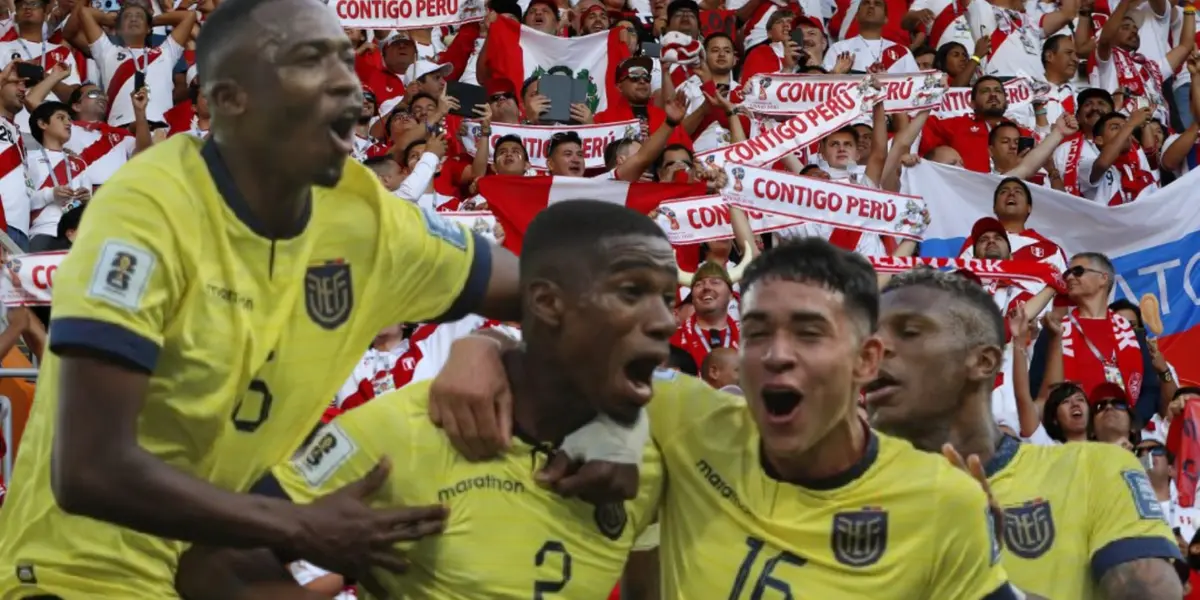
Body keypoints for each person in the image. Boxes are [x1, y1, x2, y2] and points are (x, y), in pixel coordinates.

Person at [0, 0, 525, 596]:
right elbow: (89, 470)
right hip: (75, 579)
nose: (347, 86)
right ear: (229, 100)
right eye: (310, 63)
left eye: (347, 64)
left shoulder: (366, 217)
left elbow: (544, 290)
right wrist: (299, 527)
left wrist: (488, 342)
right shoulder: (152, 205)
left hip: (202, 576)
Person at [430, 239, 1022, 599]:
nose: (777, 353)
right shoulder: (687, 416)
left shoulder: (943, 503)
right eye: (758, 331)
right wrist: (481, 348)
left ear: (866, 360)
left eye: (810, 333)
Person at [173, 199, 676, 599]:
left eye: (669, 299)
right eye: (631, 293)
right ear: (545, 303)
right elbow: (210, 559)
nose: (664, 322)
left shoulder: (653, 457)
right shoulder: (401, 429)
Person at [864, 267, 1182, 598]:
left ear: (984, 361)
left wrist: (981, 576)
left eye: (910, 332)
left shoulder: (1095, 470)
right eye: (871, 335)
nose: (876, 349)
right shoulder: (836, 505)